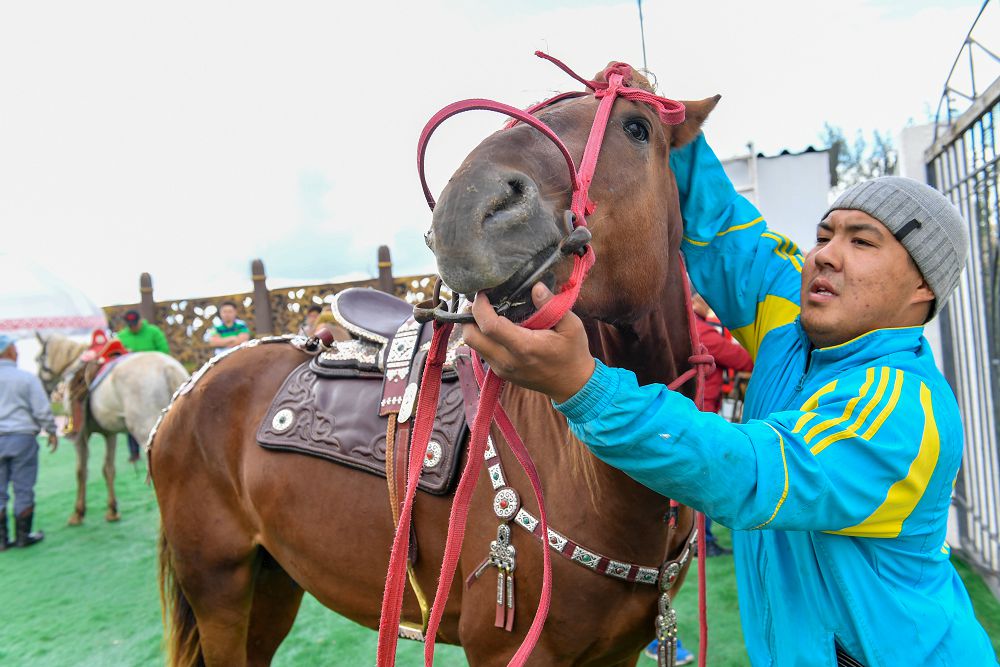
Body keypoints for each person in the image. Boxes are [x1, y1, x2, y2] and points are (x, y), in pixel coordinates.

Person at [462, 134, 996, 664]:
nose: (824, 256)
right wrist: (663, 124)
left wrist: (583, 386)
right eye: (824, 235)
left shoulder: (904, 409)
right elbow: (726, 237)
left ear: (922, 287)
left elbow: (750, 471)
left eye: (862, 242)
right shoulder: (796, 327)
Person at [0, 334, 58, 550]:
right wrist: (51, 431)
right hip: (22, 438)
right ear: (9, 351)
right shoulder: (25, 378)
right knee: (23, 487)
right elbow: (42, 410)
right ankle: (24, 536)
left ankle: (1, 540)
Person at [116, 309, 170, 462]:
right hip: (132, 385)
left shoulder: (153, 332)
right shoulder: (121, 336)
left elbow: (164, 351)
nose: (133, 327)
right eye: (130, 325)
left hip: (153, 379)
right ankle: (134, 452)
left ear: (141, 320)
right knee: (132, 416)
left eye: (135, 324)